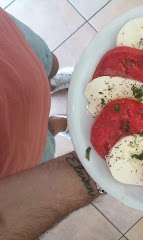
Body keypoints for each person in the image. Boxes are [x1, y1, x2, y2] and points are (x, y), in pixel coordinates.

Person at [0, 8, 101, 240]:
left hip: (9, 43)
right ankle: (61, 126)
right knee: (44, 134)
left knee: (47, 62)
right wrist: (96, 172)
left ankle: (52, 81)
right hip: (16, 158)